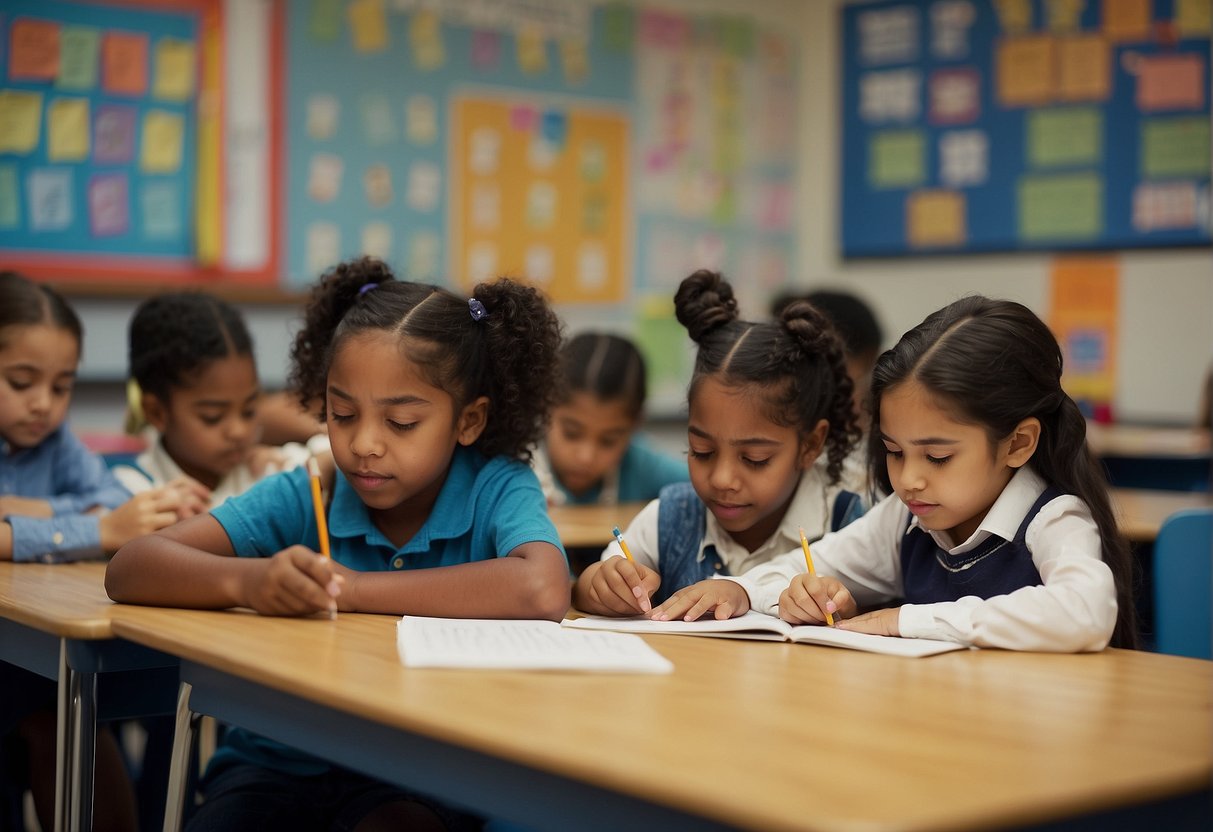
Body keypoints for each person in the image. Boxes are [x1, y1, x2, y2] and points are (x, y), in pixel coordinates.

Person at [106, 257, 570, 832]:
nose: (364, 444)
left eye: (400, 423)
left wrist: (350, 588)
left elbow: (543, 585)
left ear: (468, 421)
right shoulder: (313, 488)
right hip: (278, 760)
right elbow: (132, 566)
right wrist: (250, 580)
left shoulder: (496, 485)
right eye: (342, 413)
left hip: (421, 769)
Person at [665, 296, 1138, 653]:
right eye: (893, 451)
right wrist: (751, 590)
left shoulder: (1053, 519)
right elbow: (805, 568)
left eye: (937, 457)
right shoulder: (906, 519)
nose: (908, 479)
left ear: (1017, 443)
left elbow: (1086, 612)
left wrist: (908, 621)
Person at [0, 272, 205, 832]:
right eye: (21, 382)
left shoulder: (52, 439)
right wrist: (91, 528)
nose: (44, 404)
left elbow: (113, 499)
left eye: (62, 386)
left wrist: (21, 509)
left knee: (75, 714)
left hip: (41, 656)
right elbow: (106, 522)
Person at [572, 270, 865, 619]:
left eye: (755, 458)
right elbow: (585, 589)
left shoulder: (851, 521)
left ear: (810, 445)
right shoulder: (671, 517)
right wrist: (600, 586)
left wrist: (848, 610)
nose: (722, 478)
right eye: (702, 452)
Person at [113, 291, 325, 505]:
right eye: (212, 417)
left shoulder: (268, 469)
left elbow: (333, 460)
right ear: (156, 413)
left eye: (249, 411)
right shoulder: (133, 495)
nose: (239, 431)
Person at [531, 332, 686, 506]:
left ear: (636, 425)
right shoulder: (517, 466)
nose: (586, 457)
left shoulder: (641, 466)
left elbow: (704, 489)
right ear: (545, 406)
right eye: (571, 434)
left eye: (608, 441)